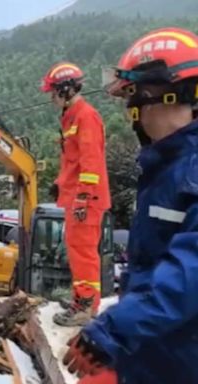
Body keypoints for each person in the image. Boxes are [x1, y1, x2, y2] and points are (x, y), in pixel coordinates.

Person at [63, 27, 198, 384]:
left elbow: (188, 276)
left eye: (133, 98)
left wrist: (112, 331)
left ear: (162, 95)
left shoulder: (191, 170)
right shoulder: (167, 168)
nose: (131, 112)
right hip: (160, 352)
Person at [40, 61, 111, 326]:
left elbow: (91, 162)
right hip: (77, 196)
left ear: (66, 89)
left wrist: (82, 196)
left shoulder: (85, 116)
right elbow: (73, 160)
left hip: (86, 199)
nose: (51, 97)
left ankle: (85, 306)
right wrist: (61, 184)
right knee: (76, 249)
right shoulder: (72, 116)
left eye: (53, 91)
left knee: (83, 251)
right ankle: (82, 301)